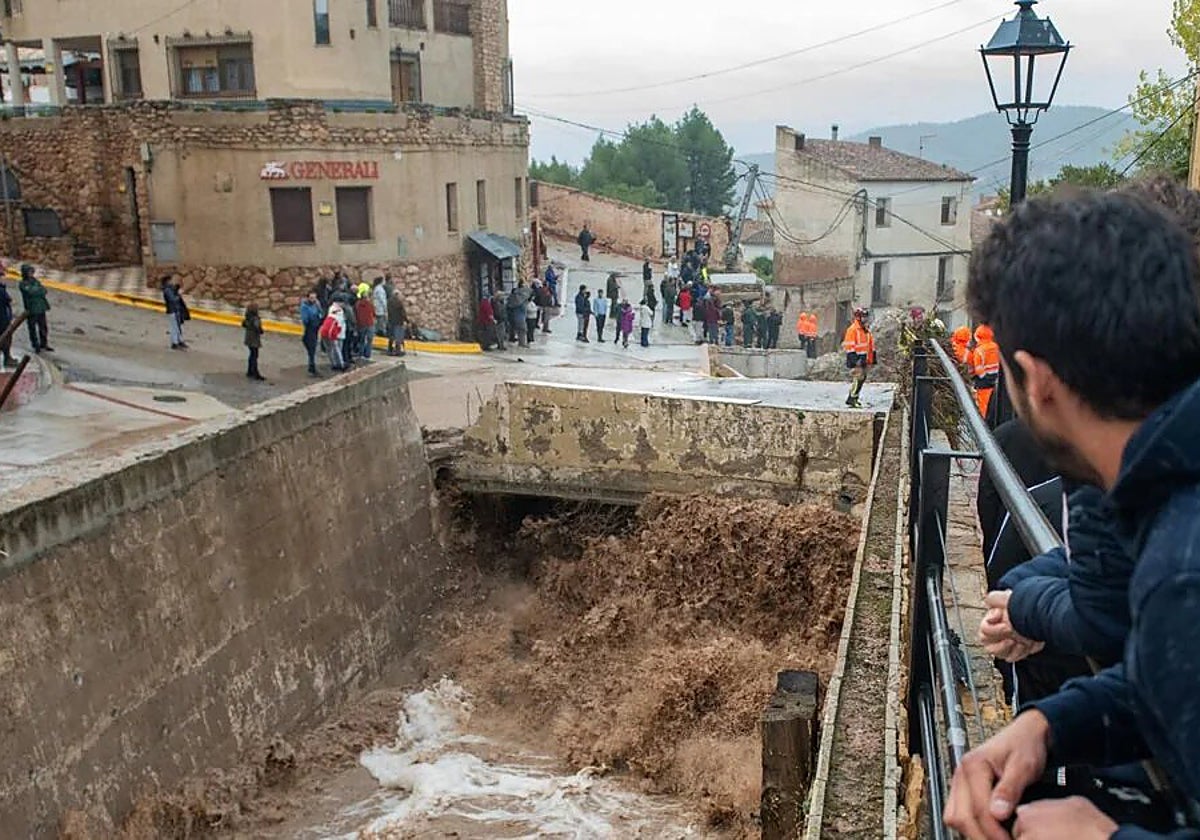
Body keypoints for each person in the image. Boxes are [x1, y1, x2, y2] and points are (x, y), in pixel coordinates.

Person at [943, 190, 1200, 839]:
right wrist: (1052, 724)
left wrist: (1102, 837)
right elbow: (1169, 685)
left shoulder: (1182, 574)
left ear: (1036, 382)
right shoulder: (1166, 502)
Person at [842, 307, 875, 408]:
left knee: (862, 379)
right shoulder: (853, 330)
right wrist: (855, 361)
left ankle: (853, 398)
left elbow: (870, 346)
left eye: (866, 317)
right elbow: (849, 347)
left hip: (864, 358)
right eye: (864, 317)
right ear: (858, 317)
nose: (866, 319)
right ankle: (852, 398)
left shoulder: (865, 330)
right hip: (857, 359)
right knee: (858, 378)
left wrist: (872, 359)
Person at [18, 264, 51, 353]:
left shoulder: (35, 281)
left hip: (41, 307)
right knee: (32, 328)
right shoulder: (23, 283)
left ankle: (44, 343)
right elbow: (31, 292)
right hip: (31, 308)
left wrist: (37, 290)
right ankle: (35, 344)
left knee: (43, 327)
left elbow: (44, 290)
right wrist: (38, 290)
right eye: (29, 272)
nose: (31, 273)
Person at [971, 324, 1000, 416]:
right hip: (996, 380)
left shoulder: (979, 350)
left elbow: (978, 369)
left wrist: (985, 378)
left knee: (984, 407)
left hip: (984, 383)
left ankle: (984, 423)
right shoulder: (996, 347)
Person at [300, 291, 323, 376]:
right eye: (311, 298)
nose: (313, 300)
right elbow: (305, 319)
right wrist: (313, 318)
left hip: (316, 327)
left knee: (313, 347)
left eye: (314, 298)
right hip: (310, 328)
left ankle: (312, 366)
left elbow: (321, 313)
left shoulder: (316, 304)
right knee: (311, 348)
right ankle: (312, 367)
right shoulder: (305, 306)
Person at [162, 278, 189, 350]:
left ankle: (179, 340)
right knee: (174, 327)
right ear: (167, 281)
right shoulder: (167, 290)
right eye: (171, 280)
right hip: (173, 310)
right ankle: (174, 343)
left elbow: (175, 290)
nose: (172, 282)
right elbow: (173, 299)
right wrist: (179, 294)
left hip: (176, 310)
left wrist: (179, 287)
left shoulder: (170, 289)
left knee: (179, 326)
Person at [320, 302, 346, 370]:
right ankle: (341, 364)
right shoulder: (339, 317)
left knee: (330, 350)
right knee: (337, 349)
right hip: (332, 335)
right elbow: (339, 328)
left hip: (324, 334)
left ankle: (334, 364)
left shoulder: (330, 315)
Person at [242, 304, 265, 381]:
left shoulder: (247, 318)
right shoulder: (255, 319)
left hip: (248, 339)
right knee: (255, 355)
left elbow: (243, 324)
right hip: (254, 339)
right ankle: (255, 373)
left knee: (251, 355)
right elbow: (257, 327)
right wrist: (261, 331)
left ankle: (250, 371)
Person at [355, 285, 376, 360]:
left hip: (361, 324)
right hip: (369, 323)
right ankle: (367, 354)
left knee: (362, 340)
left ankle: (361, 353)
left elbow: (356, 314)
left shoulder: (357, 304)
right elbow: (373, 313)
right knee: (369, 340)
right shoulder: (370, 304)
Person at [387, 291, 408, 356]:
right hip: (399, 321)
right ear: (397, 295)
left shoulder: (389, 302)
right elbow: (403, 313)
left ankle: (390, 350)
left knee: (392, 336)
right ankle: (398, 350)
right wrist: (407, 321)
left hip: (391, 321)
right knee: (398, 337)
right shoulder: (399, 303)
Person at [0, 275, 14, 367]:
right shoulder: (1, 290)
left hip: (4, 317)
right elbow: (7, 299)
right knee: (6, 338)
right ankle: (7, 358)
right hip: (2, 319)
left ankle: (7, 357)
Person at [372, 277, 389, 345]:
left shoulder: (376, 288)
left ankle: (378, 331)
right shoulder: (380, 289)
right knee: (381, 321)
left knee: (378, 321)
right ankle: (381, 332)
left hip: (377, 307)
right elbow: (382, 299)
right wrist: (385, 308)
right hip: (380, 308)